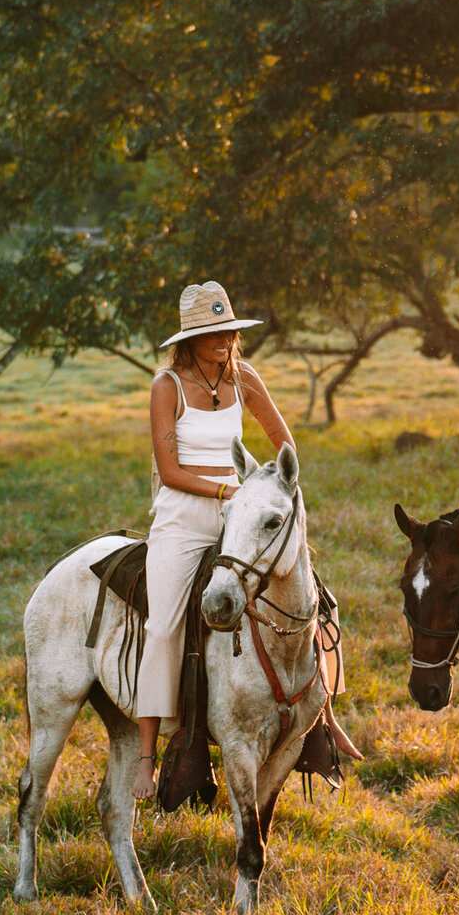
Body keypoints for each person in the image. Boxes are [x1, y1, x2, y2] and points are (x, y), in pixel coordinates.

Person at [134, 281, 295, 798]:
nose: (225, 341)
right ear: (190, 340)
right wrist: (228, 488)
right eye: (213, 333)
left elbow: (284, 441)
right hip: (183, 517)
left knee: (302, 594)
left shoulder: (244, 377)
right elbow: (170, 471)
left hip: (238, 514)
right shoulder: (168, 386)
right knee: (164, 626)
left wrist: (269, 487)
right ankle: (147, 755)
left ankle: (319, 719)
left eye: (229, 331)